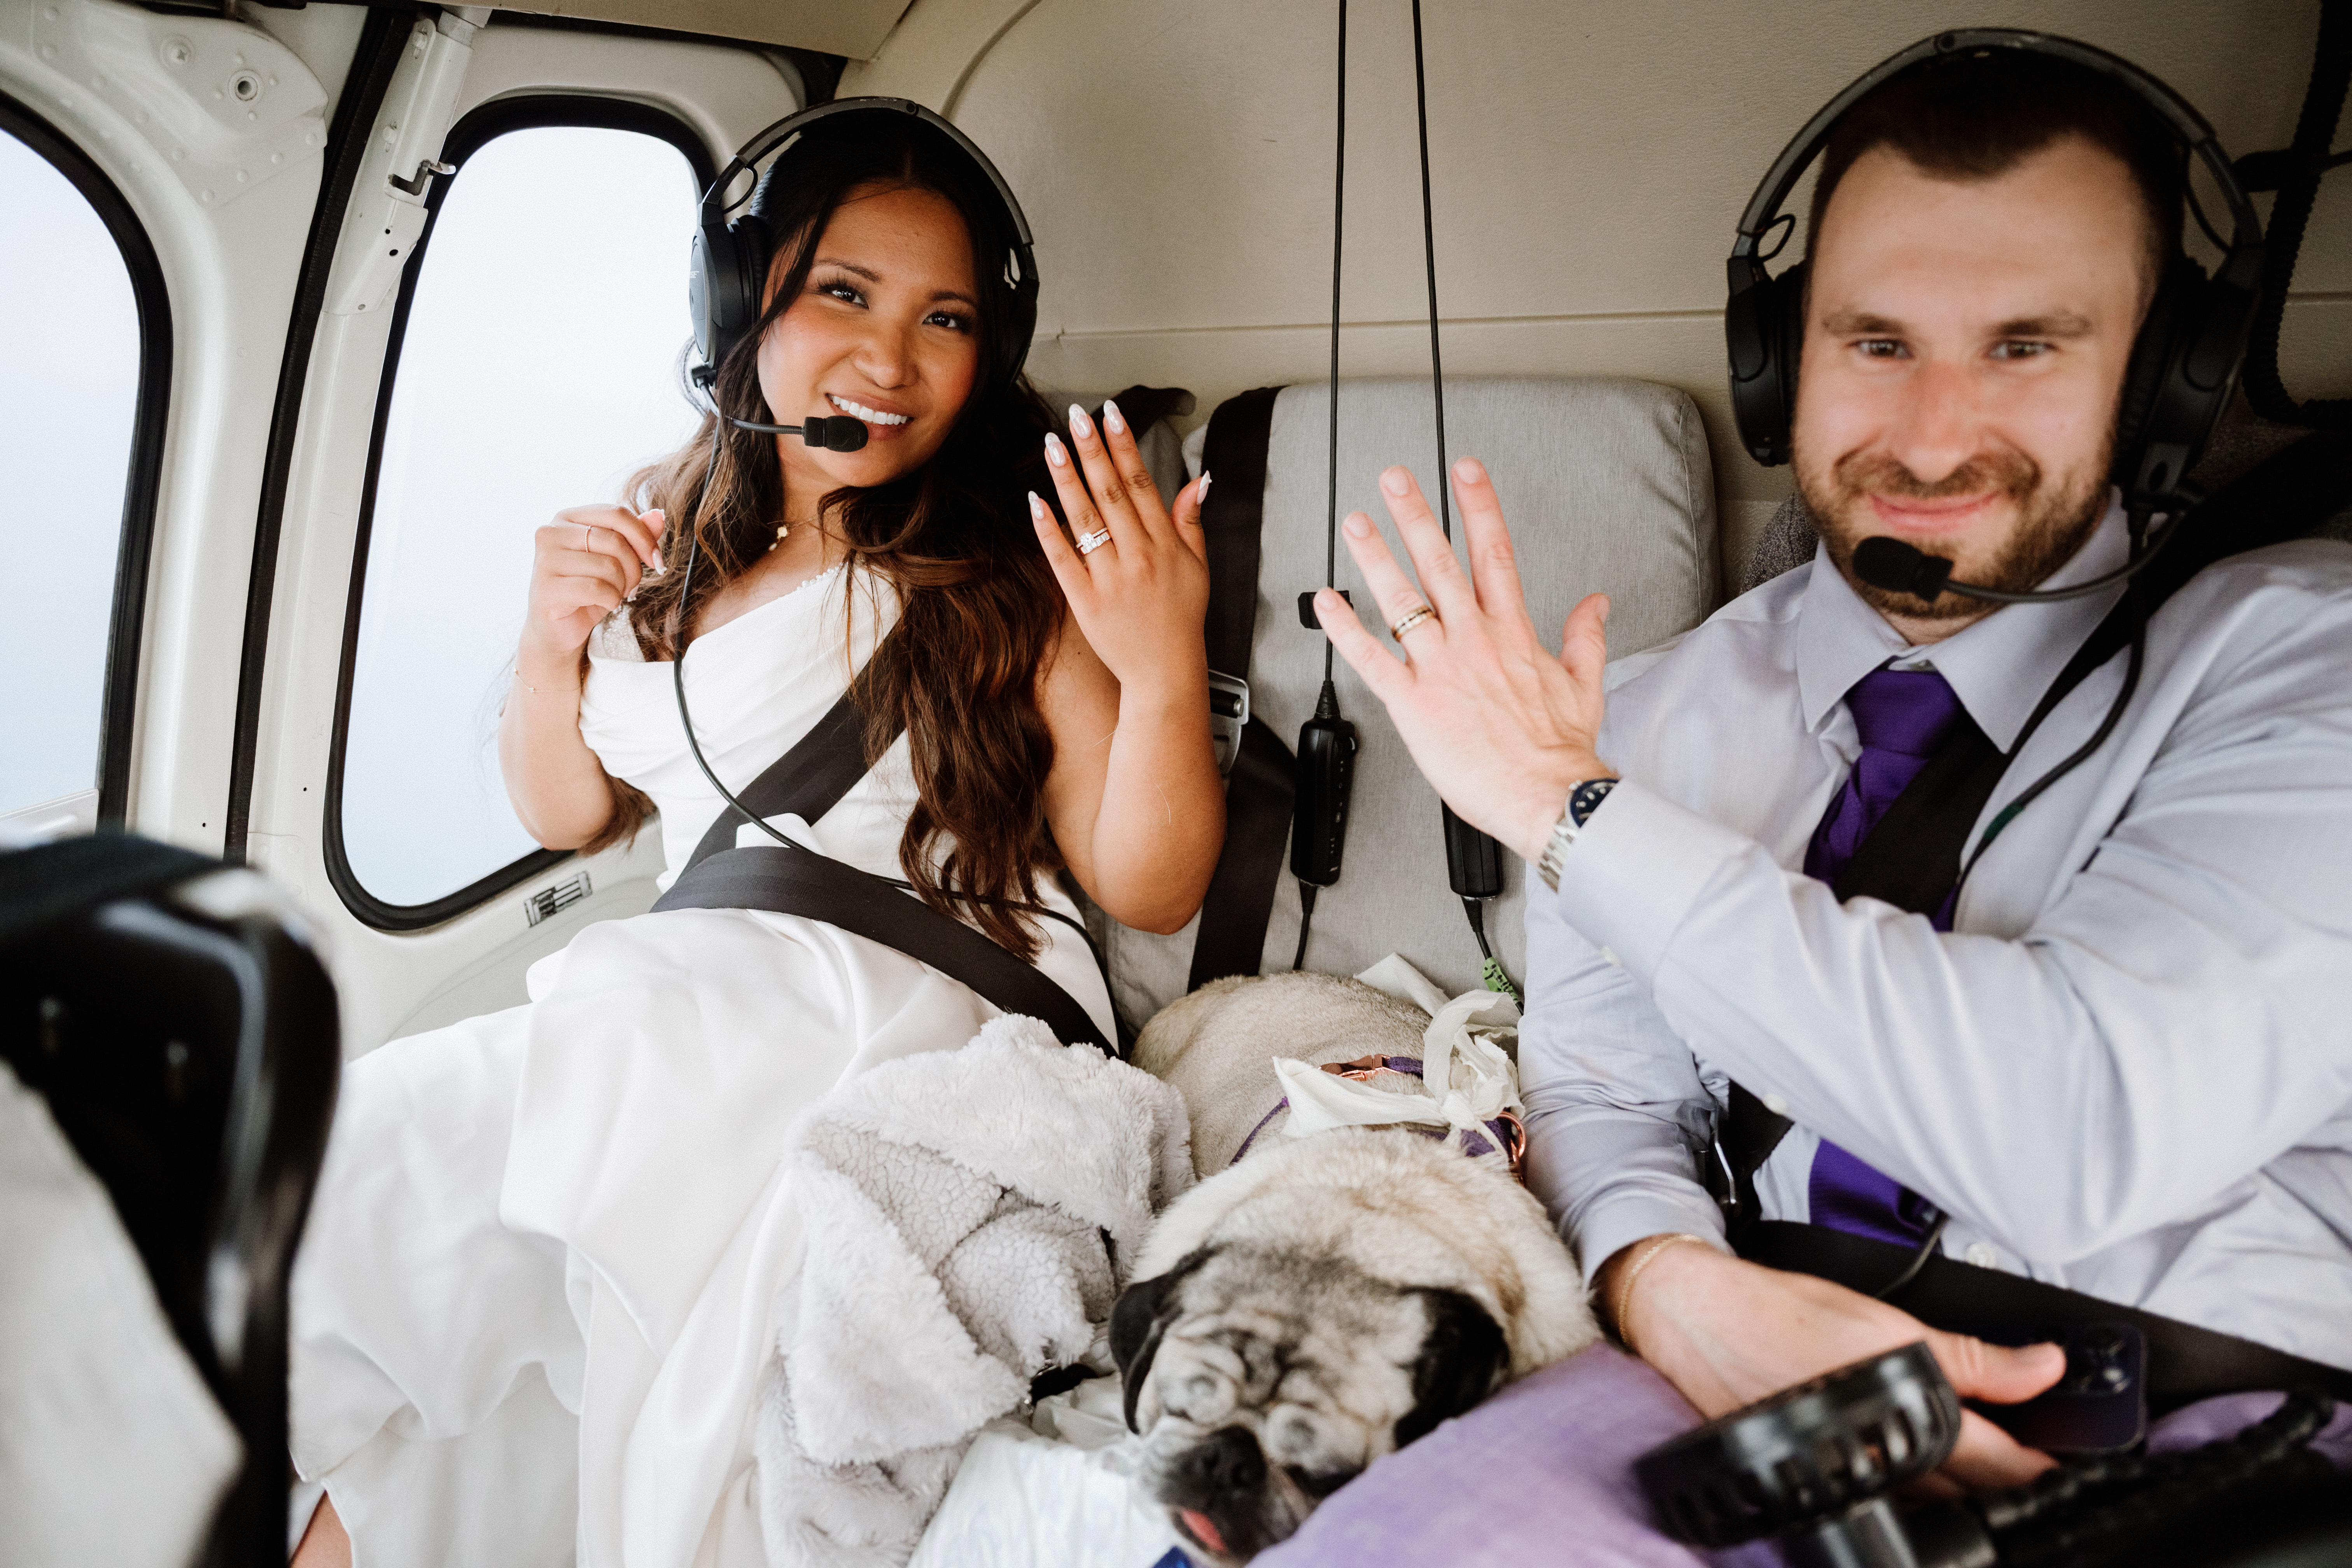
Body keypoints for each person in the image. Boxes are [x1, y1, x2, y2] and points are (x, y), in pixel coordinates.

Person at [1307, 44, 2352, 1506]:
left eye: (2025, 345)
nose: (1933, 436)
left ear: (2170, 383)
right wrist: (1669, 1279)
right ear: (1779, 360)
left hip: (2209, 1404)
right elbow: (1607, 1090)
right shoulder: (1660, 706)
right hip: (1738, 1367)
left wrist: (1568, 812)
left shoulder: (2309, 663)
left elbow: (2083, 1127)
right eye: (1876, 342)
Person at [289, 109, 1225, 1567]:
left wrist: (1161, 662)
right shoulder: (671, 525)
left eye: (948, 318)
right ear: (743, 300)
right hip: (691, 999)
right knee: (428, 1429)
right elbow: (574, 812)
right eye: (841, 292)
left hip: (914, 1005)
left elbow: (1148, 884)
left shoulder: (1010, 560)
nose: (892, 360)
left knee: (399, 1153)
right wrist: (550, 647)